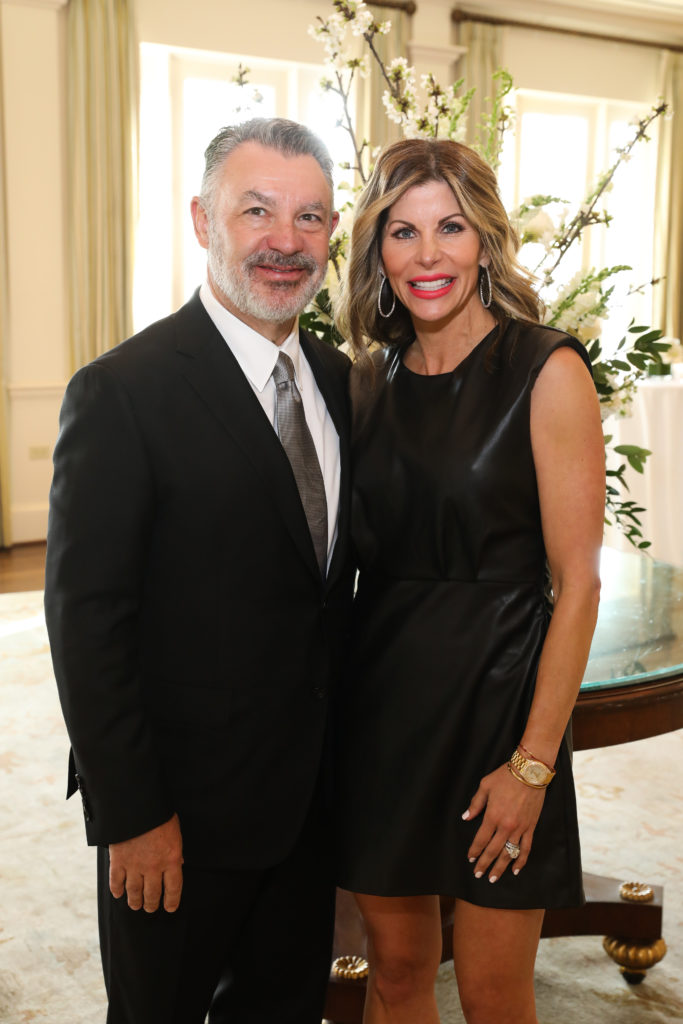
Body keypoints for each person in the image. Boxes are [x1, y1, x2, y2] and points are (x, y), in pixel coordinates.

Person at [44, 117, 354, 1024]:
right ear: (200, 219)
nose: (285, 241)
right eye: (256, 211)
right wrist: (131, 815)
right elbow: (86, 623)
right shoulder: (121, 393)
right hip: (177, 820)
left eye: (310, 218)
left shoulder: (342, 383)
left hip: (308, 809)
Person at [333, 138, 605, 1024]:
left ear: (484, 239)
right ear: (376, 250)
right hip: (384, 716)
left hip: (500, 711)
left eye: (449, 227)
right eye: (401, 233)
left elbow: (577, 583)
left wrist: (531, 765)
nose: (426, 255)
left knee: (493, 994)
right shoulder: (366, 384)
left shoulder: (546, 370)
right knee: (398, 975)